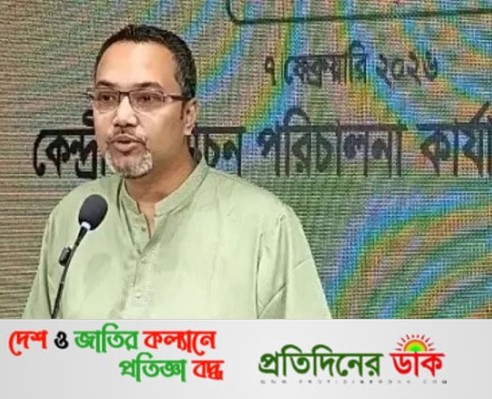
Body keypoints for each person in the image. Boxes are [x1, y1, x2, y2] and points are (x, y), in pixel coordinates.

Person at [22, 24, 331, 319]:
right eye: (106, 98)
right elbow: (34, 348)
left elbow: (305, 353)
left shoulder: (265, 226)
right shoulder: (74, 218)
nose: (122, 117)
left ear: (188, 116)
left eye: (147, 98)